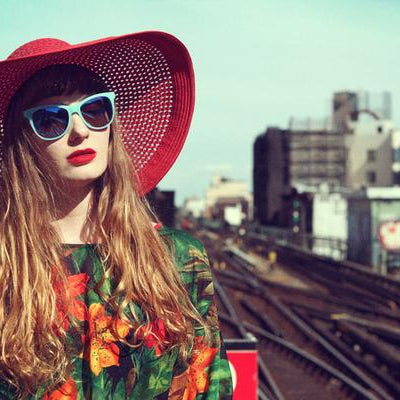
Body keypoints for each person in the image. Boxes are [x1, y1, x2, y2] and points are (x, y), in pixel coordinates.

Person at [0, 32, 233, 399]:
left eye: (94, 110)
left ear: (111, 126)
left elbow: (208, 388)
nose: (79, 131)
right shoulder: (6, 265)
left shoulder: (179, 258)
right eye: (50, 119)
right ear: (22, 140)